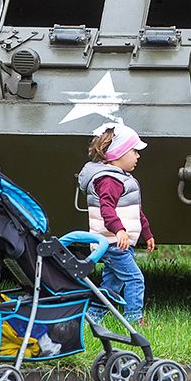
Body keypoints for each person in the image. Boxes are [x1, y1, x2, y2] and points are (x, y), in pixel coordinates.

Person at [78, 122, 155, 326]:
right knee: (135, 279)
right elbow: (107, 210)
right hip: (112, 243)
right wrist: (119, 230)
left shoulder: (121, 178)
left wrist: (147, 234)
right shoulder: (109, 180)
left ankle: (92, 318)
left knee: (112, 284)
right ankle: (133, 319)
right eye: (134, 151)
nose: (138, 156)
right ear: (118, 153)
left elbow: (135, 211)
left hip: (118, 242)